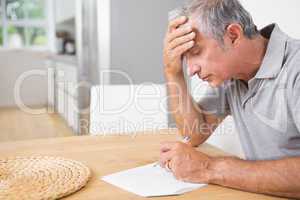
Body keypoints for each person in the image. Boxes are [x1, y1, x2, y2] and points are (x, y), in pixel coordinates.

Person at [160, 0, 300, 198]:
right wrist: (172, 72)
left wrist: (208, 167)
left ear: (233, 36)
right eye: (185, 59)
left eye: (196, 52)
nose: (191, 70)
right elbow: (193, 134)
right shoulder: (232, 76)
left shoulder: (296, 68)